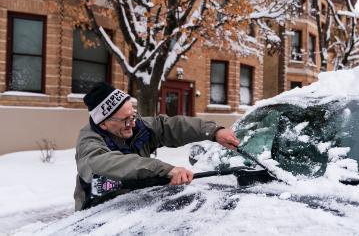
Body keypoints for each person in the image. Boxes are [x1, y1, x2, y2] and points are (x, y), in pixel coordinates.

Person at [74, 82, 240, 211]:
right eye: (125, 120)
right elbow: (106, 164)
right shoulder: (89, 142)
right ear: (103, 124)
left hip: (136, 207)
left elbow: (169, 126)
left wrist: (213, 132)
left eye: (133, 116)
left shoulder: (138, 126)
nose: (132, 124)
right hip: (99, 216)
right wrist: (165, 169)